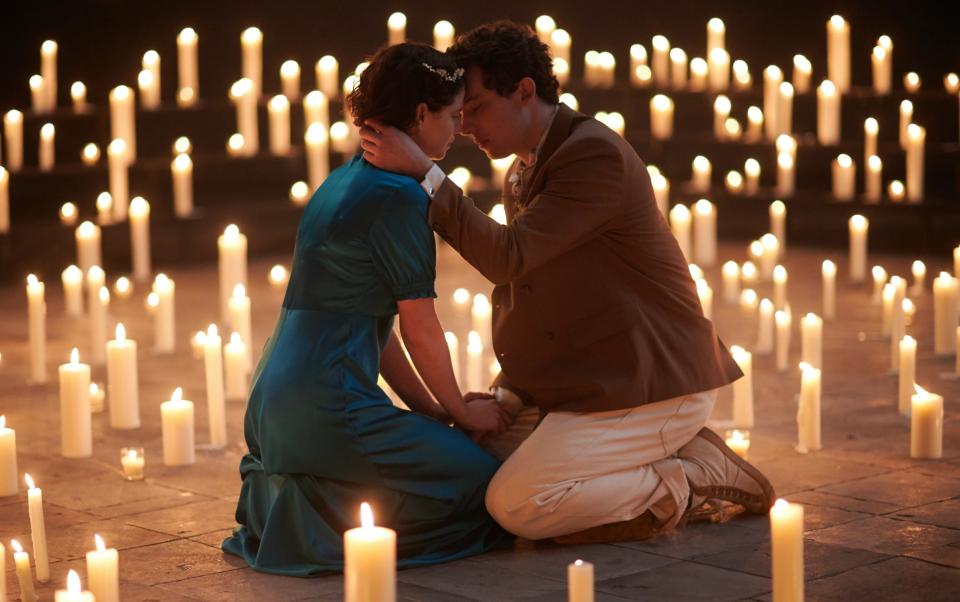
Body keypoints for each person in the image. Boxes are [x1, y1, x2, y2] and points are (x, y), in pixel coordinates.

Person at [359, 21, 776, 543]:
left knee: (518, 505)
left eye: (478, 106)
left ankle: (693, 476)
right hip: (589, 379)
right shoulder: (525, 166)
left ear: (526, 91)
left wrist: (427, 174)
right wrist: (509, 394)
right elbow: (537, 296)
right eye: (459, 111)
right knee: (475, 460)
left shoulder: (591, 155)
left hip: (652, 382)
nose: (464, 126)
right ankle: (672, 457)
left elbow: (509, 259)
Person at [222, 42, 513, 576]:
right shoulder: (398, 198)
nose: (458, 131)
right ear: (421, 114)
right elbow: (419, 330)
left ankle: (296, 504)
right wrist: (464, 411)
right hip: (325, 405)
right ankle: (311, 528)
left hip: (272, 401)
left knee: (425, 467)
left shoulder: (342, 180)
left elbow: (374, 332)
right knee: (486, 485)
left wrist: (432, 411)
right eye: (452, 117)